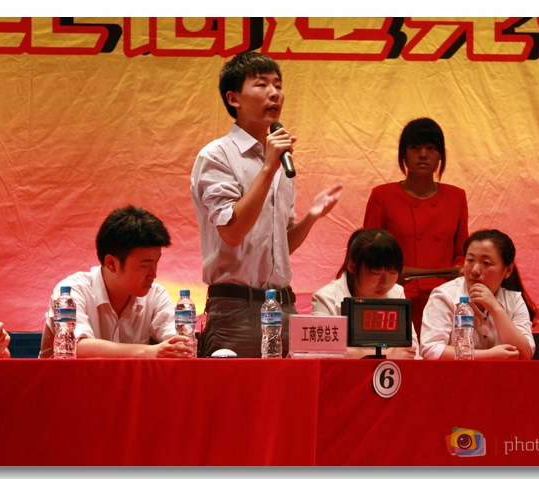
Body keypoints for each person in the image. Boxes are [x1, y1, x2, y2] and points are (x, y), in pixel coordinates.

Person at [190, 51, 343, 358]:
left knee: (291, 390)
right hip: (236, 310)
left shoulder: (278, 160)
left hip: (283, 306)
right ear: (233, 98)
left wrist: (311, 216)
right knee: (238, 390)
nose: (274, 93)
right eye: (261, 85)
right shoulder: (217, 156)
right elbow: (232, 233)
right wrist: (268, 168)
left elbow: (279, 246)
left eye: (278, 85)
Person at [38, 205, 194, 358]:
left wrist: (179, 346)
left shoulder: (156, 295)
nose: (153, 275)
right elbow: (74, 347)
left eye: (156, 263)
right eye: (144, 265)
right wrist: (148, 351)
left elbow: (181, 343)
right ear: (112, 263)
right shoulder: (71, 293)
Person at [363, 117, 468, 340]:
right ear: (403, 154)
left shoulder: (456, 197)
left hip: (443, 299)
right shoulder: (382, 196)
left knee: (440, 356)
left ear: (441, 155)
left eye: (431, 148)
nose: (423, 154)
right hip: (395, 298)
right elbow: (368, 252)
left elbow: (462, 252)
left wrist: (459, 269)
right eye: (415, 147)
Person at [419, 229, 537, 360]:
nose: (475, 270)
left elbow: (524, 354)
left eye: (486, 263)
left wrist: (496, 308)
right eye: (470, 260)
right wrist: (489, 356)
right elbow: (430, 350)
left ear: (508, 270)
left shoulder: (514, 300)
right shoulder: (444, 296)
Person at [311, 228, 420, 359]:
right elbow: (319, 352)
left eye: (393, 273)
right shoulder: (326, 298)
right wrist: (385, 354)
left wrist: (353, 354)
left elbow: (411, 351)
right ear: (352, 267)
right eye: (376, 273)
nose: (385, 283)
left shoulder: (396, 293)